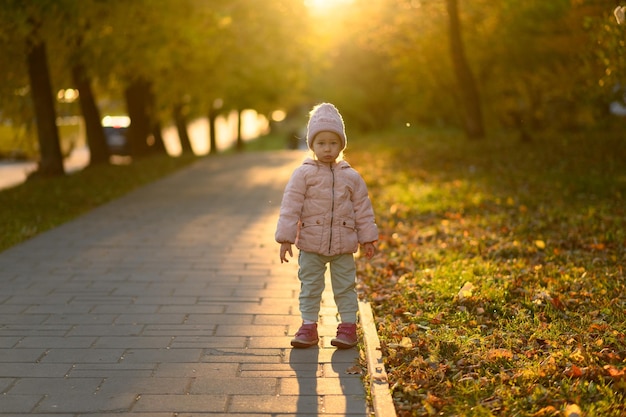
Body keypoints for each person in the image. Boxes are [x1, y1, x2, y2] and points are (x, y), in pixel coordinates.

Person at [275, 103, 378, 349]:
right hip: (311, 245)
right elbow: (290, 207)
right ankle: (309, 326)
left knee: (345, 287)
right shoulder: (303, 174)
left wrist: (368, 239)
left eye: (333, 143)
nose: (328, 148)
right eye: (321, 143)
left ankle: (348, 328)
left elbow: (363, 210)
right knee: (310, 286)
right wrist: (285, 239)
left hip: (343, 246)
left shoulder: (351, 176)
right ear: (312, 146)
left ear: (341, 145)